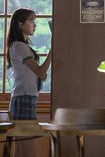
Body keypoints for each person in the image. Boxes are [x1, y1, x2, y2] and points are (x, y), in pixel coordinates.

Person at [6, 8, 51, 156]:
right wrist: (52, 52)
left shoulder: (20, 46)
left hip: (23, 97)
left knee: (22, 149)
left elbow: (39, 74)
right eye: (31, 21)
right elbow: (39, 72)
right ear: (20, 24)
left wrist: (40, 74)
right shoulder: (19, 45)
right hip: (24, 98)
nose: (34, 25)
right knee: (28, 148)